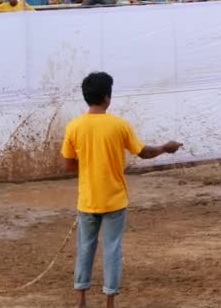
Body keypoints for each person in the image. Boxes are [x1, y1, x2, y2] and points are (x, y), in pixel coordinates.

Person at [62, 72, 183, 308]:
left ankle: (81, 300)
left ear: (87, 97)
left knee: (85, 248)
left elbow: (67, 165)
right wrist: (165, 148)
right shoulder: (119, 126)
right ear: (107, 97)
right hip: (115, 200)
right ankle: (109, 302)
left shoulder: (74, 127)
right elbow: (144, 152)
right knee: (112, 248)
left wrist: (90, 168)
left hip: (87, 200)